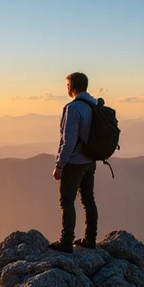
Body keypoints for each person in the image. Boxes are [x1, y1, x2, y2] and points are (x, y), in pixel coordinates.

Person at [50, 72, 99, 253]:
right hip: (90, 160)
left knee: (66, 201)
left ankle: (66, 241)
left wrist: (60, 165)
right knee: (88, 200)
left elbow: (68, 141)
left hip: (75, 162)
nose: (67, 88)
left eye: (67, 85)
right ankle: (90, 238)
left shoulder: (73, 108)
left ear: (73, 87)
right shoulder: (94, 105)